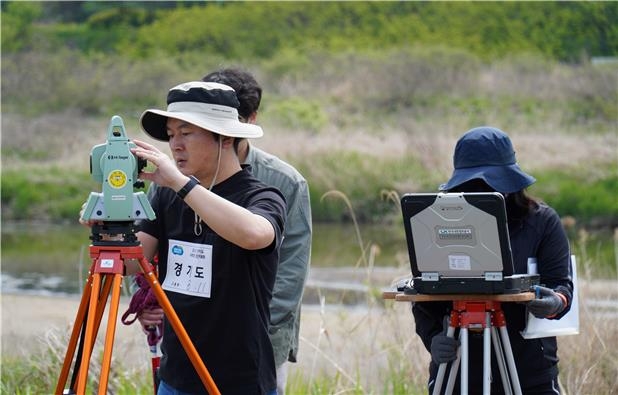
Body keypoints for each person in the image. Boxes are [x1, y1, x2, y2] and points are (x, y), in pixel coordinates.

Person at [121, 81, 286, 394]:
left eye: (186, 133)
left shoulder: (262, 196)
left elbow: (256, 234)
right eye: (171, 135)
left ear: (223, 137)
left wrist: (182, 185)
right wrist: (109, 224)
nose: (175, 145)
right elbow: (133, 262)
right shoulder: (166, 197)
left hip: (241, 380)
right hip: (176, 376)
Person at [412, 126, 573, 394]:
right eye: (472, 185)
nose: (482, 190)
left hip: (528, 373)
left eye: (490, 184)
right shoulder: (438, 221)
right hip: (459, 371)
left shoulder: (542, 222)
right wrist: (433, 338)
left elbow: (562, 287)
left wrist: (555, 302)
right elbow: (424, 291)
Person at [201, 68, 312, 395]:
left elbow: (291, 271)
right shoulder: (175, 177)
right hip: (191, 330)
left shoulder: (283, 182)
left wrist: (251, 328)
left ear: (250, 120)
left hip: (261, 337)